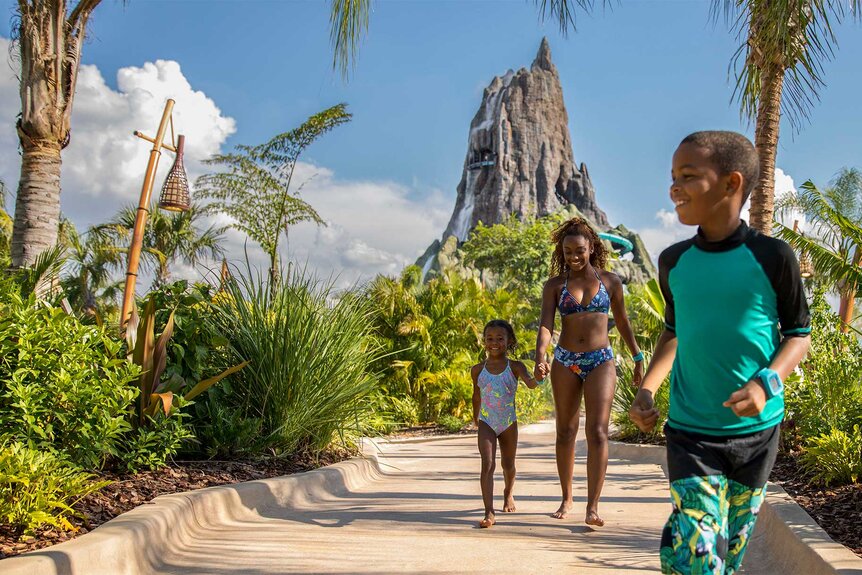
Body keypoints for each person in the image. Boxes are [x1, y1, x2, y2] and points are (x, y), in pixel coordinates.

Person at [629, 131, 811, 574]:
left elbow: (799, 334)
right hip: (691, 432)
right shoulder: (674, 261)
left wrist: (766, 384)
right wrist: (648, 389)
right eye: (672, 176)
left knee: (729, 555)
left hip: (758, 433)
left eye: (688, 176)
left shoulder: (773, 257)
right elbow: (674, 332)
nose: (674, 187)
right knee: (699, 553)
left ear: (731, 184)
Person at [534, 217, 643, 526]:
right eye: (567, 252)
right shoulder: (555, 286)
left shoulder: (610, 281)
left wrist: (636, 356)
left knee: (597, 432)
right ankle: (567, 497)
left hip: (601, 360)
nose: (574, 257)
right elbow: (546, 324)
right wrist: (540, 354)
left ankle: (592, 506)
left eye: (579, 250)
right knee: (565, 431)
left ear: (592, 247)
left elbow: (621, 322)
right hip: (565, 359)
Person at [472, 319, 541, 528]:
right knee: (488, 464)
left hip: (508, 422)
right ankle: (489, 512)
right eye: (489, 338)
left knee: (508, 465)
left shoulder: (516, 367)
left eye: (500, 339)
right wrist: (476, 417)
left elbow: (531, 384)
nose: (494, 343)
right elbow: (476, 395)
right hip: (486, 420)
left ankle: (508, 492)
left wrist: (539, 376)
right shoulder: (477, 370)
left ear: (509, 341)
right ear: (484, 341)